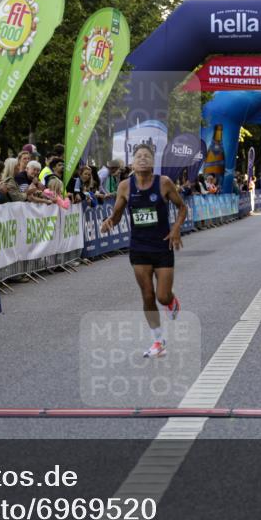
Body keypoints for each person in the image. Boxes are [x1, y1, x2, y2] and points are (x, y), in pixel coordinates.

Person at [99, 144, 187, 359]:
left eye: (147, 156)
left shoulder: (164, 183)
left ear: (152, 162)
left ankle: (171, 301)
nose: (143, 159)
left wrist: (176, 228)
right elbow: (118, 214)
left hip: (162, 245)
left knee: (162, 296)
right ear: (132, 163)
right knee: (147, 295)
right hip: (139, 247)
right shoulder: (125, 187)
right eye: (139, 156)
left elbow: (182, 207)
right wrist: (110, 221)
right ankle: (158, 340)